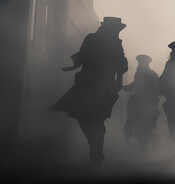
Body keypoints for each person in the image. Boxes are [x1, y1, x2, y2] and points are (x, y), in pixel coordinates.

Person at [48, 17, 128, 163]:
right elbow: (82, 54)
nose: (117, 32)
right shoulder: (92, 39)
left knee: (96, 117)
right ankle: (95, 144)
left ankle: (96, 148)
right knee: (82, 115)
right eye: (116, 29)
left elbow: (121, 63)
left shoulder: (116, 43)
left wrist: (119, 80)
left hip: (104, 85)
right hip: (87, 83)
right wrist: (73, 66)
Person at [123, 54, 160, 148]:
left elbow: (141, 86)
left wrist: (128, 87)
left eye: (140, 63)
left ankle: (150, 145)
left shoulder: (148, 74)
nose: (139, 65)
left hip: (146, 105)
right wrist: (128, 87)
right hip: (139, 103)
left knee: (142, 128)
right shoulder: (144, 73)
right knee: (138, 126)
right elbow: (136, 84)